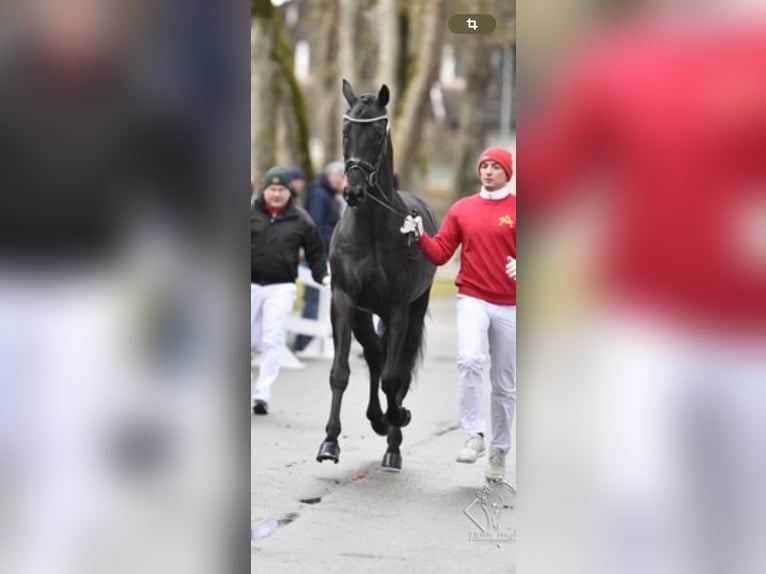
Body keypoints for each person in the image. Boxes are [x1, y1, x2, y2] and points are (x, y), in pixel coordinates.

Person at [400, 146, 516, 483]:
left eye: (496, 167)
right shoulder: (463, 209)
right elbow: (440, 253)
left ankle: (499, 450)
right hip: (473, 297)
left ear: (507, 172)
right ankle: (474, 434)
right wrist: (419, 235)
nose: (489, 172)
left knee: (505, 384)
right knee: (468, 359)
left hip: (511, 304)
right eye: (485, 166)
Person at [251, 166, 329, 415]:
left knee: (273, 338)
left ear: (289, 192)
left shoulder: (301, 219)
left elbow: (316, 252)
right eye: (271, 189)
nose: (275, 194)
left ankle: (261, 394)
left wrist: (323, 276)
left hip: (281, 286)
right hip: (249, 283)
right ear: (263, 190)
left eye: (281, 190)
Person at [293, 161, 346, 352]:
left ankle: (308, 338)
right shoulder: (319, 195)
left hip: (324, 252)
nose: (341, 180)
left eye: (343, 177)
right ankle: (304, 340)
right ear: (329, 175)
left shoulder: (330, 196)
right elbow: (315, 225)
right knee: (314, 296)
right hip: (317, 253)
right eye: (338, 176)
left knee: (318, 297)